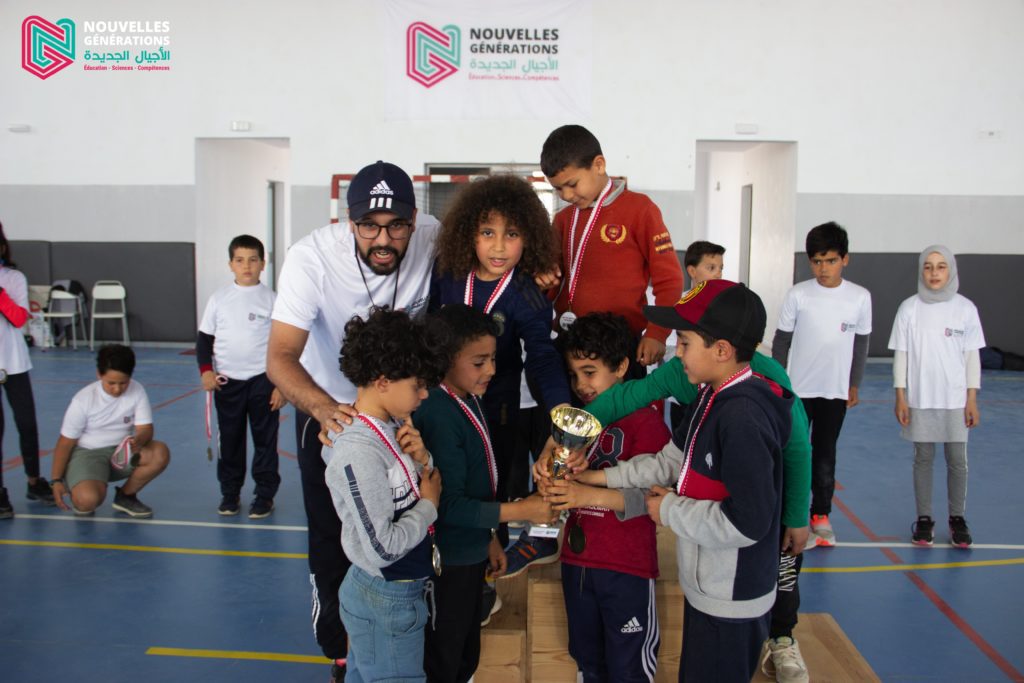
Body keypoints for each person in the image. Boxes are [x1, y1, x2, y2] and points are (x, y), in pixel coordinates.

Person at [546, 280, 793, 682]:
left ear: (722, 350)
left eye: (685, 343)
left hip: (732, 596)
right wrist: (595, 476)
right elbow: (666, 463)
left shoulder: (742, 419)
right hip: (708, 588)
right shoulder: (709, 397)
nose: (677, 353)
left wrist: (669, 509)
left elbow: (748, 523)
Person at [267, 160, 440, 681]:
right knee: (333, 536)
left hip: (400, 410)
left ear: (414, 221)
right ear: (350, 222)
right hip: (333, 411)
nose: (383, 240)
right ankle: (340, 652)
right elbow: (279, 356)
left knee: (406, 511)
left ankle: (407, 623)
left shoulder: (433, 236)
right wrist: (322, 408)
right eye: (369, 226)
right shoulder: (311, 258)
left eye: (396, 226)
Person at [413, 304, 557, 683]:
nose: (491, 370)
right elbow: (448, 506)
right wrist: (522, 511)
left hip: (471, 551)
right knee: (444, 660)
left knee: (466, 654)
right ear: (445, 359)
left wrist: (490, 538)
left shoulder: (468, 396)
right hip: (448, 561)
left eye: (493, 359)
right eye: (479, 362)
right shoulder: (438, 413)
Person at [543, 312, 671, 683]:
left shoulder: (645, 421)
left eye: (589, 372)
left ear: (621, 367)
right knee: (589, 664)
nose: (581, 385)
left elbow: (651, 500)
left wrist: (584, 493)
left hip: (626, 565)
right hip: (577, 563)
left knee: (629, 669)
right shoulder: (577, 423)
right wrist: (549, 479)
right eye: (573, 375)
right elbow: (559, 484)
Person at [430, 174, 571, 505]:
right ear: (469, 233)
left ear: (529, 237)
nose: (498, 247)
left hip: (497, 407)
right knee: (445, 486)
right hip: (442, 400)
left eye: (512, 234)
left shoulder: (526, 295)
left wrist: (561, 411)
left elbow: (541, 356)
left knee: (494, 488)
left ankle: (498, 536)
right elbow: (428, 332)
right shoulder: (447, 273)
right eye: (487, 232)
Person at [323, 308, 447, 683]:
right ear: (382, 382)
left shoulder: (391, 426)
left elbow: (408, 487)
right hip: (385, 596)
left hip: (395, 591)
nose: (424, 394)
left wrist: (423, 459)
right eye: (417, 385)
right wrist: (429, 507)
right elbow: (382, 547)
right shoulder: (359, 451)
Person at [538, 124, 685, 375]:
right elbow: (553, 281)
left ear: (599, 165)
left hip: (620, 345)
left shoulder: (641, 210)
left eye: (572, 184)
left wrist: (657, 333)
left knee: (622, 402)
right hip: (571, 340)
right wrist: (543, 282)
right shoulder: (563, 219)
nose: (567, 195)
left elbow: (670, 280)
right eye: (558, 188)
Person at [772, 221, 871, 549]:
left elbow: (861, 344)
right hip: (798, 391)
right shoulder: (798, 294)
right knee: (794, 451)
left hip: (834, 391)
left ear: (845, 259)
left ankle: (821, 515)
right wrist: (780, 382)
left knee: (825, 454)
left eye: (830, 260)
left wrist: (853, 383)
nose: (823, 268)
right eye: (816, 261)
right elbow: (782, 341)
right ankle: (788, 514)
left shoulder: (860, 298)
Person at [888, 245, 984, 548]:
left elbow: (971, 358)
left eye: (941, 266)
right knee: (923, 459)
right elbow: (901, 356)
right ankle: (925, 519)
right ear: (921, 271)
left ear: (950, 270)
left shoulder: (966, 309)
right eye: (928, 266)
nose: (934, 272)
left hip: (955, 401)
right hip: (920, 399)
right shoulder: (909, 309)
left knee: (957, 461)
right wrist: (901, 395)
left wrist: (971, 399)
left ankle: (957, 519)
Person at [196, 234, 286, 519]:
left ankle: (264, 496)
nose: (246, 266)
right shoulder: (219, 299)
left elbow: (284, 345)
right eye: (239, 260)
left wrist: (281, 386)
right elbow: (204, 340)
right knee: (231, 442)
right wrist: (206, 371)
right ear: (230, 264)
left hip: (263, 381)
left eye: (252, 260)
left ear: (263, 263)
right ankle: (230, 493)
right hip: (228, 384)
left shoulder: (273, 300)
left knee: (265, 442)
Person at [50, 344, 170, 518]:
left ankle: (125, 496)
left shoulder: (137, 390)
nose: (117, 389)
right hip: (88, 454)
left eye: (123, 383)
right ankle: (82, 479)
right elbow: (65, 442)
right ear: (99, 375)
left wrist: (140, 440)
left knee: (159, 452)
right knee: (87, 502)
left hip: (122, 452)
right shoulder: (83, 400)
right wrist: (55, 480)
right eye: (111, 383)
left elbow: (145, 429)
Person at [0, 221, 53, 518]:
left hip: (14, 364)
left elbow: (20, 319)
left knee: (27, 424)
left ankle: (34, 481)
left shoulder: (14, 278)